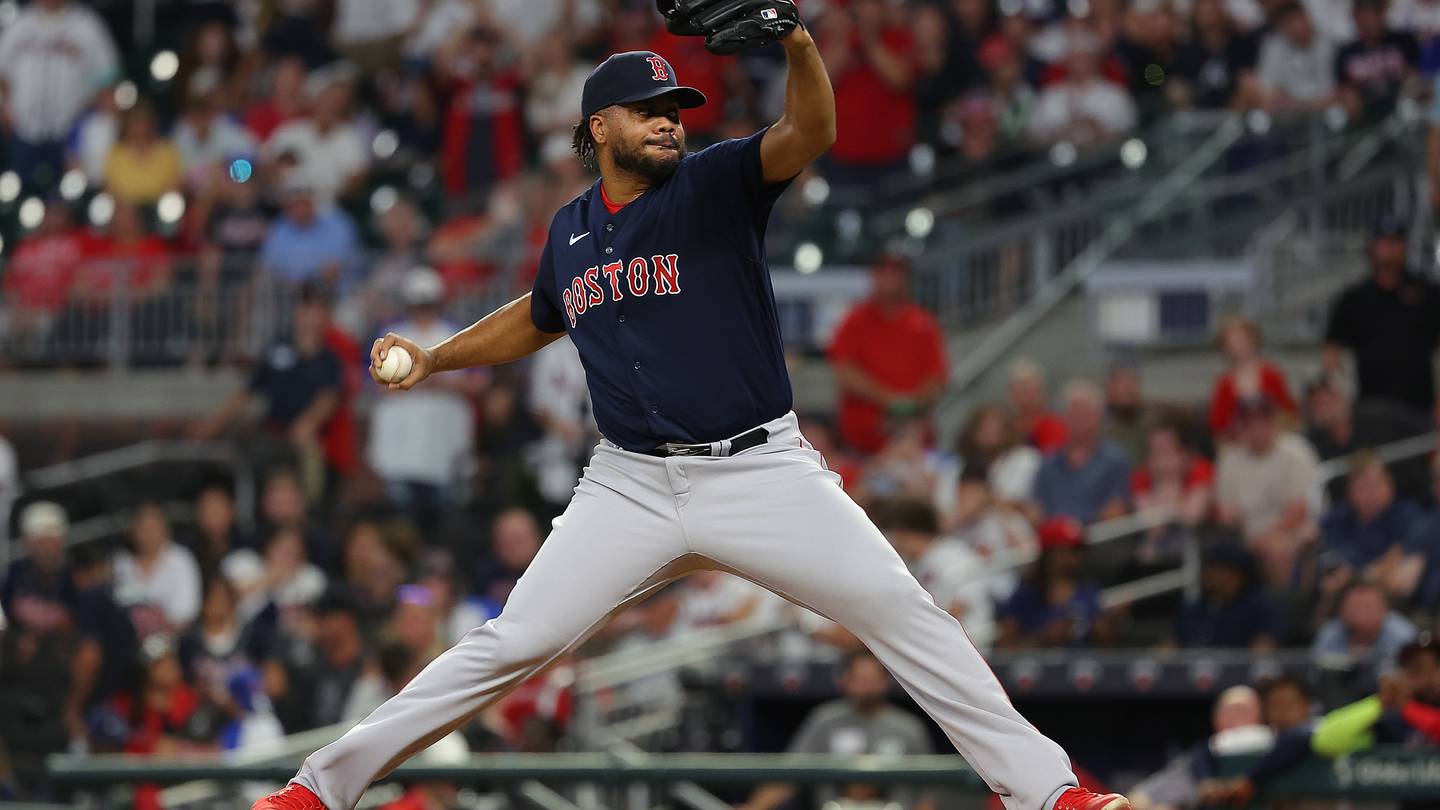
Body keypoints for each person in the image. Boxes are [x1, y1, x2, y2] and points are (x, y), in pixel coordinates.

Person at [253, 27, 1124, 810]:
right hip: (629, 481)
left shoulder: (713, 185)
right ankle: (317, 792)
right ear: (599, 128)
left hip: (758, 471)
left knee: (903, 612)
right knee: (510, 641)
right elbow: (539, 313)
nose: (670, 121)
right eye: (647, 110)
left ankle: (1051, 792)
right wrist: (440, 355)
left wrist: (798, 42)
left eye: (675, 109)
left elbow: (809, 133)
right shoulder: (570, 231)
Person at [738, 651, 936, 810]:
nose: (867, 688)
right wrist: (754, 807)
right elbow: (791, 773)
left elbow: (927, 792)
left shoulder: (908, 727)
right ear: (845, 681)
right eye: (860, 680)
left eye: (873, 680)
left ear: (886, 682)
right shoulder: (825, 720)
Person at [366, 268, 478, 523]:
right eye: (418, 305)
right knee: (399, 513)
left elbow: (479, 381)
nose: (423, 311)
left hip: (444, 434)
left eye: (428, 305)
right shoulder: (388, 334)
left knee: (446, 512)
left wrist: (429, 381)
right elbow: (370, 383)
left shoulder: (455, 332)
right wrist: (429, 380)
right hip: (399, 438)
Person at [1323, 216, 1440, 425]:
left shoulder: (1427, 293)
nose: (1389, 249)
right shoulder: (1354, 298)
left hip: (1421, 404)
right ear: (1371, 247)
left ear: (1404, 247)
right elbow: (1332, 353)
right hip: (1369, 405)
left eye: (1395, 243)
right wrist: (1339, 396)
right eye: (1383, 242)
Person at [829, 255, 948, 456]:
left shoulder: (923, 323)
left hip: (913, 443)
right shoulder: (854, 320)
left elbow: (937, 378)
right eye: (882, 273)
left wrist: (909, 406)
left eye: (895, 273)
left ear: (905, 278)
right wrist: (891, 400)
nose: (888, 279)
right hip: (861, 445)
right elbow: (844, 371)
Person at [0, 0, 120, 188]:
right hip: (23, 130)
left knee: (68, 203)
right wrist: (4, 110)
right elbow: (3, 75)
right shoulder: (19, 24)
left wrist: (101, 135)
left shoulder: (87, 25)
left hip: (71, 133)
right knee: (20, 195)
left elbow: (107, 80)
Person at [1215, 394, 1320, 587]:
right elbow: (1225, 512)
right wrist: (1233, 523)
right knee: (1218, 554)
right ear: (1241, 426)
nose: (1257, 428)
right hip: (1246, 534)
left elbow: (1299, 509)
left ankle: (1286, 607)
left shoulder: (1296, 451)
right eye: (1250, 422)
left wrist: (1265, 538)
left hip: (1292, 529)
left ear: (1274, 422)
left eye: (1263, 420)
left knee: (1277, 550)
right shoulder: (1230, 458)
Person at [877, 498, 997, 649]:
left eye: (896, 535)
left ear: (906, 532)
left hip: (968, 647)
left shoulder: (954, 555)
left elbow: (960, 607)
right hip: (935, 644)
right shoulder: (915, 566)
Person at [1322, 452, 1425, 603]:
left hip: (1387, 599)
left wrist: (1361, 576)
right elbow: (1329, 556)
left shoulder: (1407, 514)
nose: (1372, 494)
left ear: (1390, 485)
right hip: (1341, 599)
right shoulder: (1340, 518)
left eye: (1376, 484)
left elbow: (1401, 553)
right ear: (1350, 491)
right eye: (1363, 487)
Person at [996, 517, 1113, 648]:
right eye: (1068, 550)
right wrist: (1043, 639)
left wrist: (1103, 630)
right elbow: (1004, 647)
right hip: (1039, 666)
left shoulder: (1089, 591)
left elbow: (1106, 644)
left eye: (1078, 550)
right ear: (1050, 553)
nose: (1074, 557)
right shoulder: (1026, 594)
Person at [1031, 381, 1132, 524]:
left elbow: (1116, 511)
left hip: (1099, 540)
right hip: (1053, 541)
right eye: (1073, 412)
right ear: (1063, 417)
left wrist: (1076, 530)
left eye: (1086, 413)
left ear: (1099, 417)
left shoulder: (1115, 460)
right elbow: (1037, 511)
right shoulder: (1048, 462)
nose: (1079, 419)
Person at [257, 174, 363, 292]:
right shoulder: (279, 228)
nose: (300, 209)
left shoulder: (338, 223)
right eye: (294, 204)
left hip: (338, 296)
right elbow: (269, 266)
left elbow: (338, 265)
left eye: (304, 202)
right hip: (292, 298)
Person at [1131, 420, 1214, 566]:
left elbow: (1192, 517)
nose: (1162, 459)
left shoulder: (1200, 469)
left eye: (1167, 450)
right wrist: (1161, 484)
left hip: (1198, 542)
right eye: (1155, 452)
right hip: (1156, 550)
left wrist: (1172, 482)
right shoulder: (1142, 477)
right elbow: (1151, 526)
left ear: (1183, 453)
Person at [1172, 544, 1286, 650]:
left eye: (1213, 568)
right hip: (1197, 669)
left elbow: (1263, 652)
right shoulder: (1196, 606)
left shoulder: (1262, 607)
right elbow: (1171, 647)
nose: (1205, 573)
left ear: (1235, 574)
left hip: (1239, 670)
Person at [113, 502, 204, 632]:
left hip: (173, 641)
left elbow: (185, 616)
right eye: (143, 528)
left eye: (153, 528)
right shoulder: (119, 563)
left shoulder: (181, 560)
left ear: (165, 529)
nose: (148, 535)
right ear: (132, 531)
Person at [1208, 316, 1298, 441]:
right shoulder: (1224, 384)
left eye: (1241, 339)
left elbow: (1290, 415)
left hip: (1276, 442)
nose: (1236, 345)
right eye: (1231, 341)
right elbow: (1218, 427)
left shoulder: (1272, 375)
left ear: (1253, 340)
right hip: (1240, 447)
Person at [1334, 0, 1420, 121]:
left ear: (1383, 13)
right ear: (1355, 17)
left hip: (1403, 112)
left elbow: (1416, 76)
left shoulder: (1404, 40)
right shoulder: (1345, 53)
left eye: (1375, 14)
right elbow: (1344, 91)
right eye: (1365, 17)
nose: (1371, 22)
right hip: (1365, 119)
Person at [1255, 2, 1337, 110]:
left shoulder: (1327, 45)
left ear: (1308, 19)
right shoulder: (1274, 45)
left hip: (1318, 109)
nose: (1296, 26)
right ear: (1283, 27)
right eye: (1290, 22)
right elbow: (1265, 87)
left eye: (1299, 20)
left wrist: (1298, 105)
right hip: (1283, 111)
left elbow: (1329, 93)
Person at [1009, 359, 1068, 453]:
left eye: (1029, 391)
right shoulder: (1005, 427)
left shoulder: (1055, 427)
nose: (1026, 398)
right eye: (1021, 390)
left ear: (1042, 393)